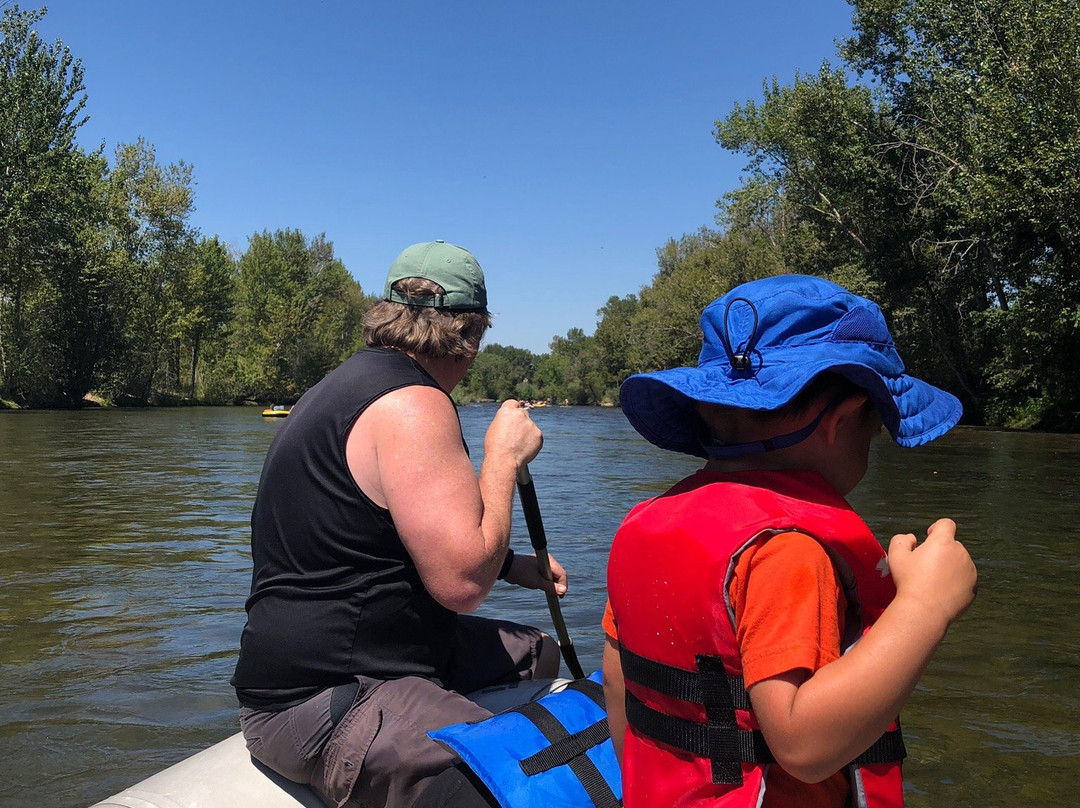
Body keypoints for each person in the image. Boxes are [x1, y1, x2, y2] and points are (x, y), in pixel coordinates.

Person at [601, 274, 978, 807]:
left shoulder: (645, 522)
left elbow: (620, 687)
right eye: (873, 431)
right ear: (843, 421)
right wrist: (925, 606)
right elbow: (802, 746)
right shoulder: (788, 549)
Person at [231, 240, 568, 808]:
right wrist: (504, 459)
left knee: (538, 653)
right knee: (527, 778)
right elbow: (462, 585)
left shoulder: (342, 389)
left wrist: (511, 565)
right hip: (325, 697)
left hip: (357, 660)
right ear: (472, 335)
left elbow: (369, 535)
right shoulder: (414, 403)